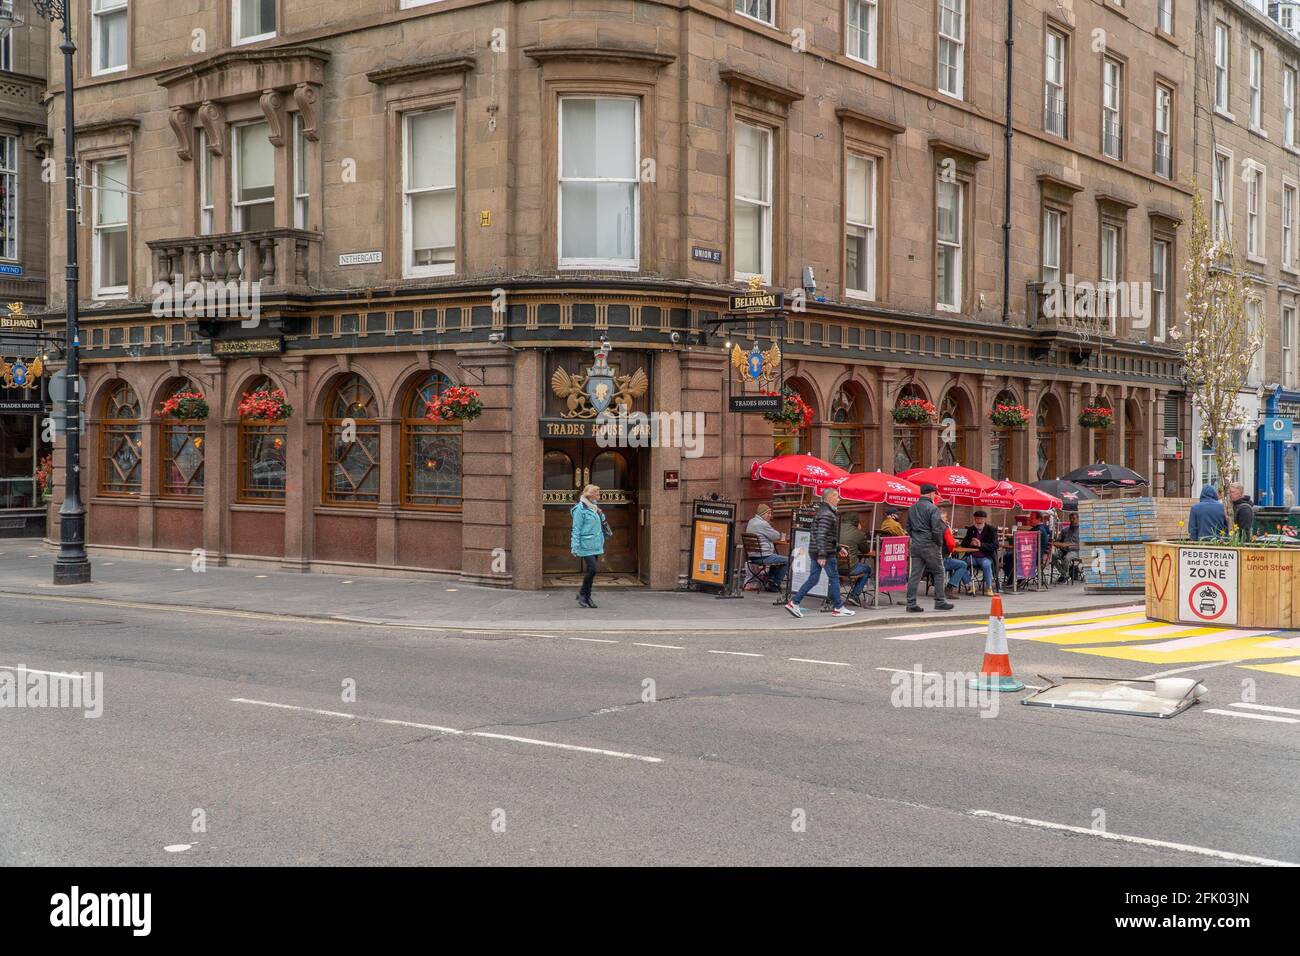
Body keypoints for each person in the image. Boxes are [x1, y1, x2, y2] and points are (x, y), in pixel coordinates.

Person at [786, 488, 855, 618]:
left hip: (818, 551)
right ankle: (838, 607)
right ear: (829, 498)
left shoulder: (823, 512)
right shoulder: (827, 514)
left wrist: (839, 548)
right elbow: (822, 536)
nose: (839, 499)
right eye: (837, 497)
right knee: (834, 578)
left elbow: (826, 536)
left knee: (813, 579)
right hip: (825, 553)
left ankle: (794, 602)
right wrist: (822, 555)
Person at [905, 484, 954, 612]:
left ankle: (910, 604)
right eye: (934, 493)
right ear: (931, 493)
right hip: (929, 544)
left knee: (915, 575)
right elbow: (936, 529)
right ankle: (940, 601)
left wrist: (915, 538)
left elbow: (908, 528)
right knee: (939, 572)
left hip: (915, 544)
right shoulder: (933, 508)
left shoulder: (912, 508)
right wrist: (938, 543)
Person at [570, 483, 608, 608]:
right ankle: (582, 594)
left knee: (592, 572)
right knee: (593, 569)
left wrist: (600, 513)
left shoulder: (594, 507)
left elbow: (601, 521)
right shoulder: (579, 509)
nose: (599, 495)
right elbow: (576, 529)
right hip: (585, 544)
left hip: (596, 543)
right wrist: (574, 547)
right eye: (597, 493)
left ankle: (587, 596)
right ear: (590, 495)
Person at [745, 503, 788, 591]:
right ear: (763, 514)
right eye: (768, 513)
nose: (770, 516)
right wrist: (769, 526)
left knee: (777, 559)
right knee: (787, 560)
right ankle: (775, 583)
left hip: (752, 556)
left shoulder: (751, 521)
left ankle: (770, 581)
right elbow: (776, 536)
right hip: (762, 556)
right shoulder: (762, 524)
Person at [840, 511, 874, 606]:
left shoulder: (836, 528)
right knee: (867, 569)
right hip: (850, 568)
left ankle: (831, 596)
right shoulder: (858, 533)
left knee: (838, 572)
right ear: (856, 521)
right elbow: (865, 550)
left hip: (833, 566)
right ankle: (854, 596)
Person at [961, 510, 999, 596]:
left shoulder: (991, 530)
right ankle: (971, 585)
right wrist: (971, 543)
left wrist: (981, 544)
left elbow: (995, 545)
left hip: (985, 556)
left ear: (985, 519)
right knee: (961, 563)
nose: (979, 521)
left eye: (981, 519)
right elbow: (963, 543)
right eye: (977, 519)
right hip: (972, 557)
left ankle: (989, 587)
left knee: (986, 564)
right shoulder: (971, 529)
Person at [942, 519, 970, 599]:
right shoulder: (945, 527)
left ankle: (969, 584)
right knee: (963, 565)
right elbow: (951, 544)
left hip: (928, 559)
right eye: (945, 517)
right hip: (943, 558)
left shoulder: (928, 526)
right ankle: (949, 587)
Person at [1053, 512, 1080, 583]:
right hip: (1063, 550)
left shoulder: (1082, 531)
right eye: (1070, 518)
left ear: (1078, 519)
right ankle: (1065, 575)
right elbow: (1058, 541)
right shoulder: (1065, 530)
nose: (1071, 520)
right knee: (1053, 556)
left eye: (1073, 518)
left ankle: (1064, 576)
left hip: (1075, 551)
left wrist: (1071, 545)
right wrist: (1057, 542)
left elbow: (1083, 544)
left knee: (1067, 558)